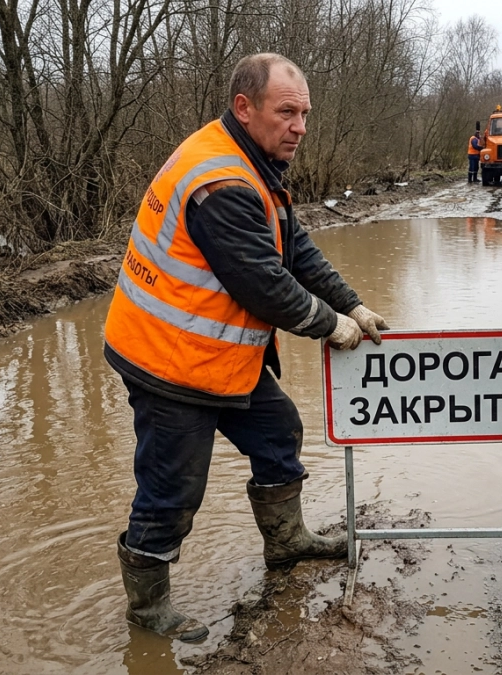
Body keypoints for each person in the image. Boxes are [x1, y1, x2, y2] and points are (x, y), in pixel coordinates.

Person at [103, 52, 390, 643]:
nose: (301, 127)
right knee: (173, 488)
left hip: (216, 356)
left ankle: (286, 544)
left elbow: (296, 249)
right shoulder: (224, 183)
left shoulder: (251, 161)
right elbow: (265, 286)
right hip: (166, 361)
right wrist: (331, 324)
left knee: (278, 430)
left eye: (305, 114)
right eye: (288, 112)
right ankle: (147, 609)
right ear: (245, 107)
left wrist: (353, 303)